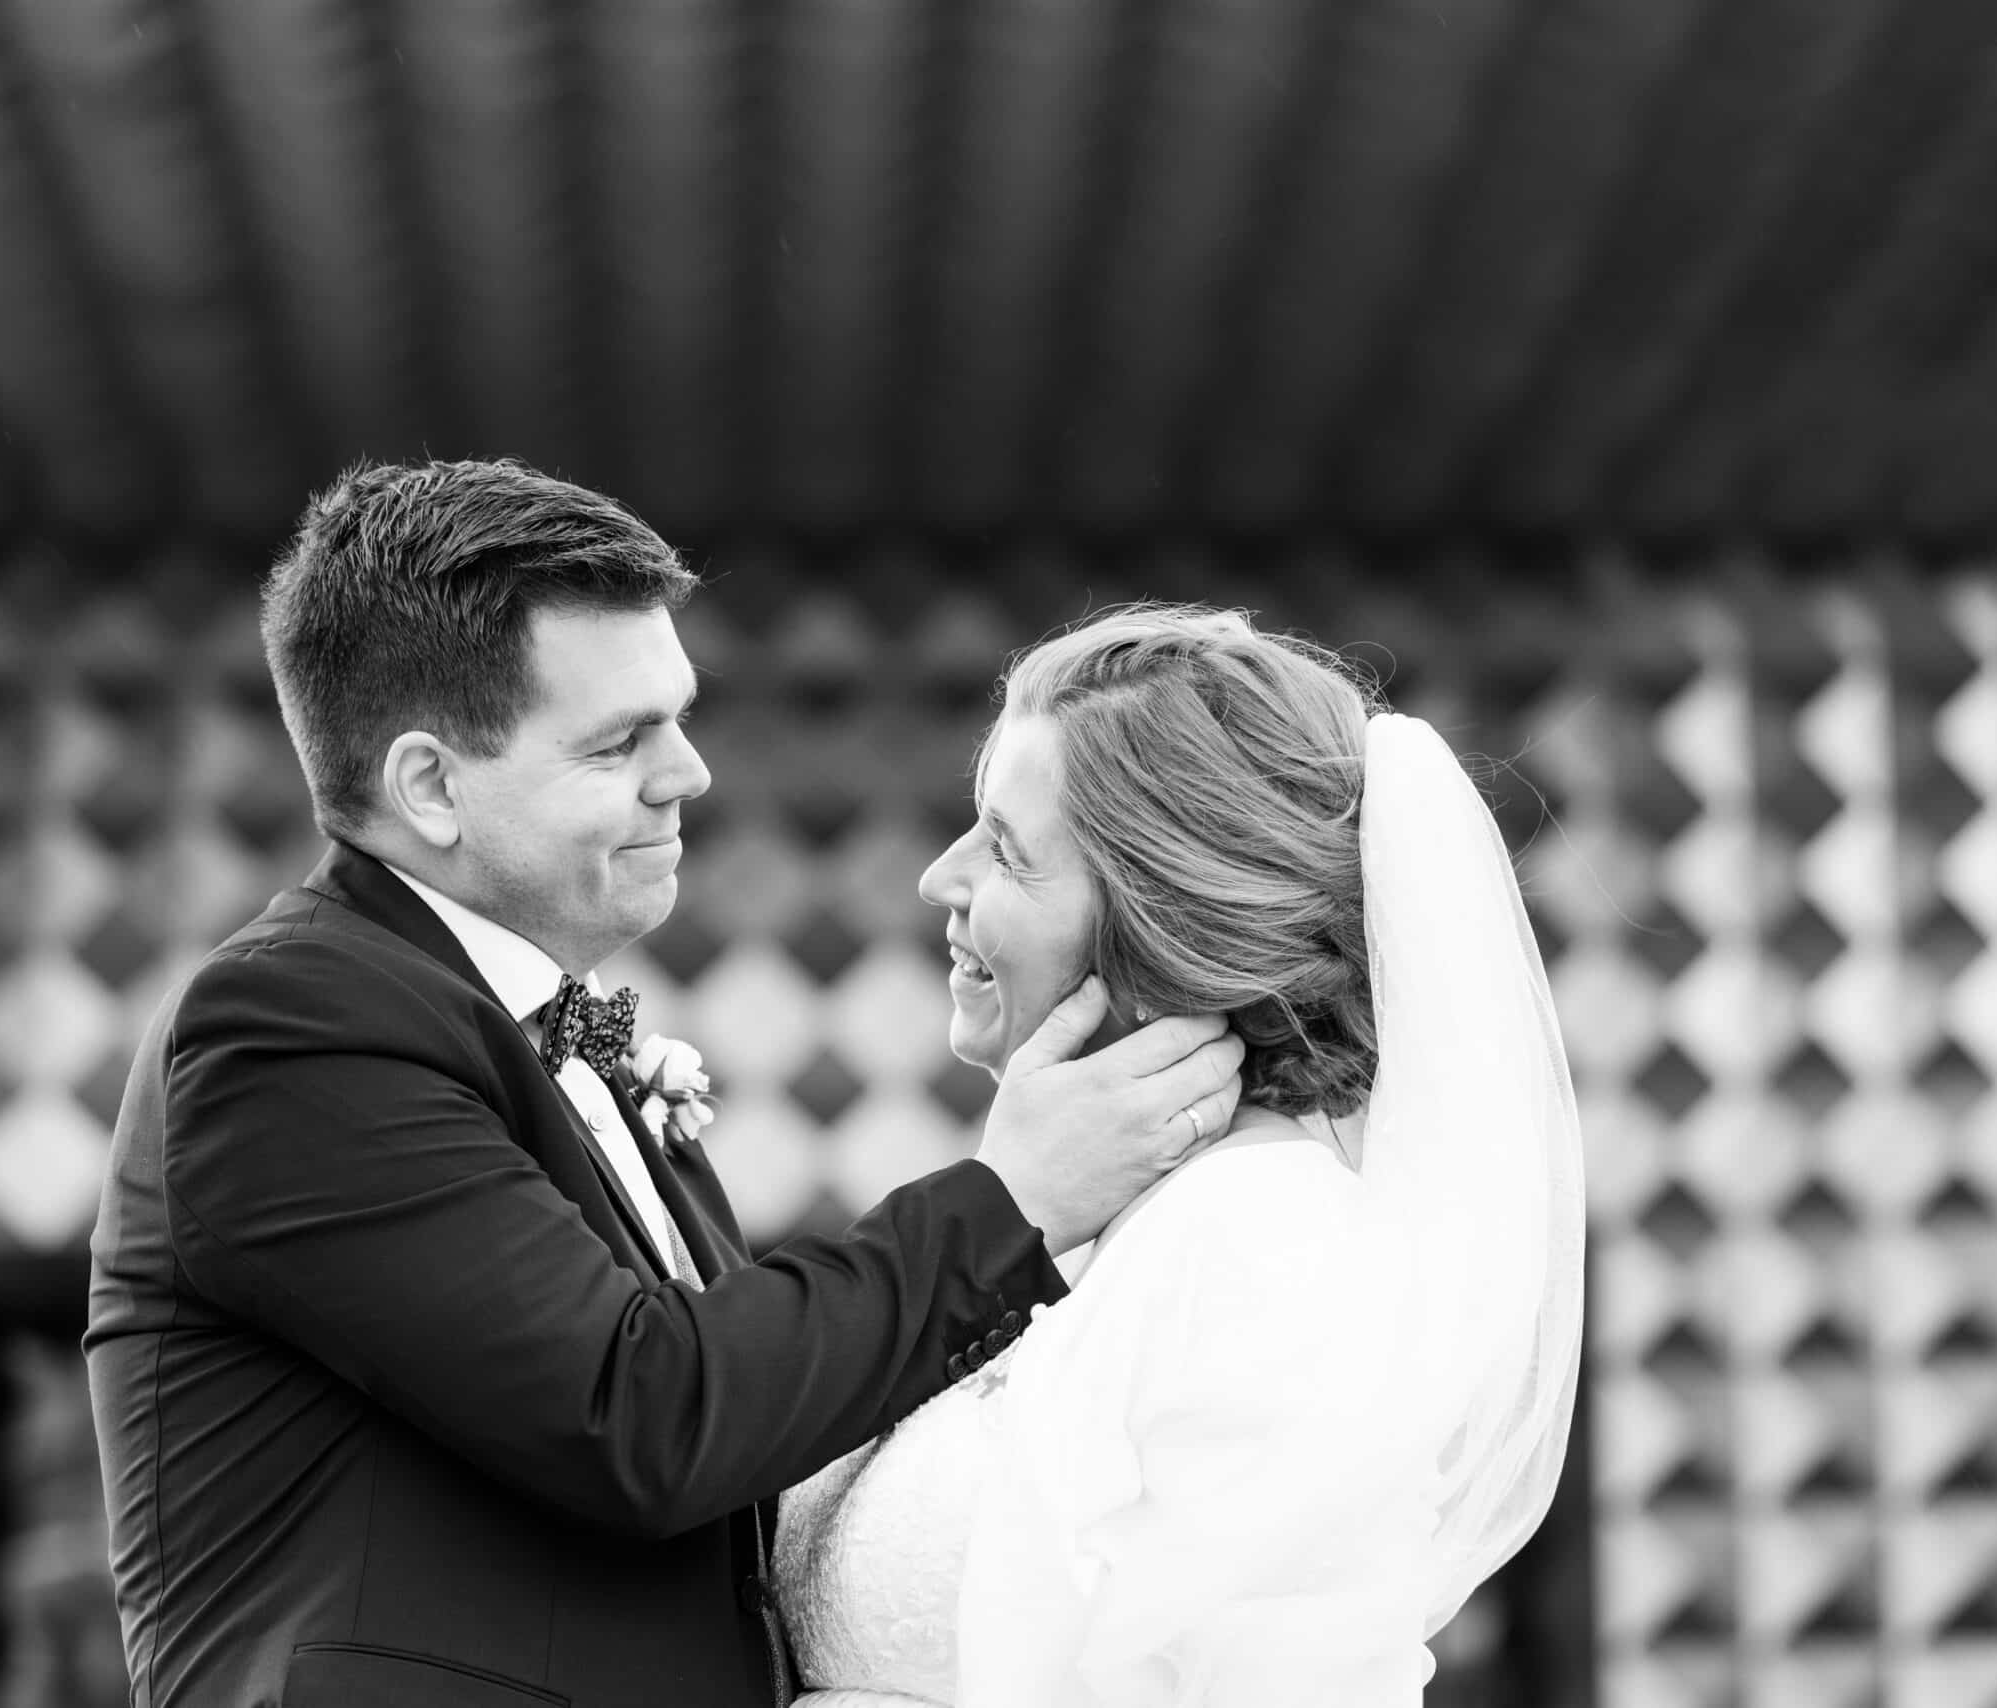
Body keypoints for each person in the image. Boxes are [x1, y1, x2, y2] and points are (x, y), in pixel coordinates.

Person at [84, 461, 1246, 1708]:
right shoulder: (289, 1029)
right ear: (429, 786)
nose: (687, 772)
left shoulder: (531, 1031)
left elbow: (739, 1445)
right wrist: (1008, 1202)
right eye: (617, 741)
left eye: (678, 717)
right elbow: (640, 1414)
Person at [770, 605, 1587, 1706]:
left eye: (1006, 850)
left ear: (1165, 927)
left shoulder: (1267, 1253)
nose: (937, 878)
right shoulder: (1107, 1220)